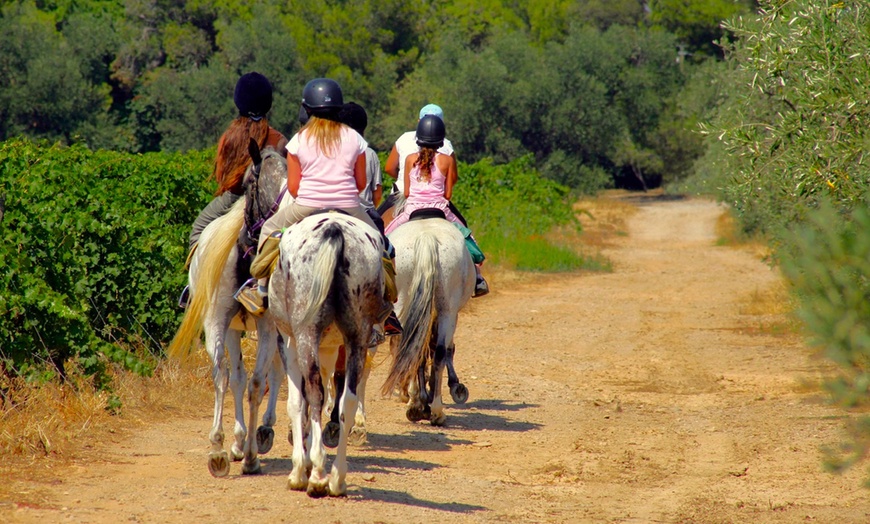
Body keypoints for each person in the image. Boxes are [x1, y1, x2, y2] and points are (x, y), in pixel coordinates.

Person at [236, 78, 402, 335]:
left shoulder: (297, 141)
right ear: (338, 108)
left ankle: (260, 291)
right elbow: (360, 184)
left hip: (307, 206)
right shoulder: (355, 139)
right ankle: (384, 301)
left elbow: (293, 187)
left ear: (307, 108)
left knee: (269, 228)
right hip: (350, 207)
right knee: (383, 244)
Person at [179, 71, 287, 308]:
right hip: (267, 207)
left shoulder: (229, 136)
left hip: (234, 197)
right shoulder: (279, 140)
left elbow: (222, 176)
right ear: (267, 103)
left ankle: (192, 290)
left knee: (198, 228)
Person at [385, 115, 489, 297]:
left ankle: (383, 279)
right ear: (441, 139)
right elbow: (447, 195)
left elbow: (407, 193)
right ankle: (478, 279)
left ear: (418, 138)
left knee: (384, 238)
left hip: (412, 209)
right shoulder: (447, 160)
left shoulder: (410, 159)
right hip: (440, 209)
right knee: (468, 238)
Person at [380, 104, 468, 227]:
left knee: (379, 228)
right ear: (441, 127)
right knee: (465, 230)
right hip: (439, 204)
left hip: (406, 198)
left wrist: (409, 180)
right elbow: (452, 181)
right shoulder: (447, 147)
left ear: (419, 123)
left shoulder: (405, 141)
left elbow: (389, 169)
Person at [338, 101, 384, 235]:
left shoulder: (329, 149)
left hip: (330, 207)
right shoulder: (370, 154)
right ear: (364, 127)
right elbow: (377, 195)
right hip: (363, 212)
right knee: (385, 246)